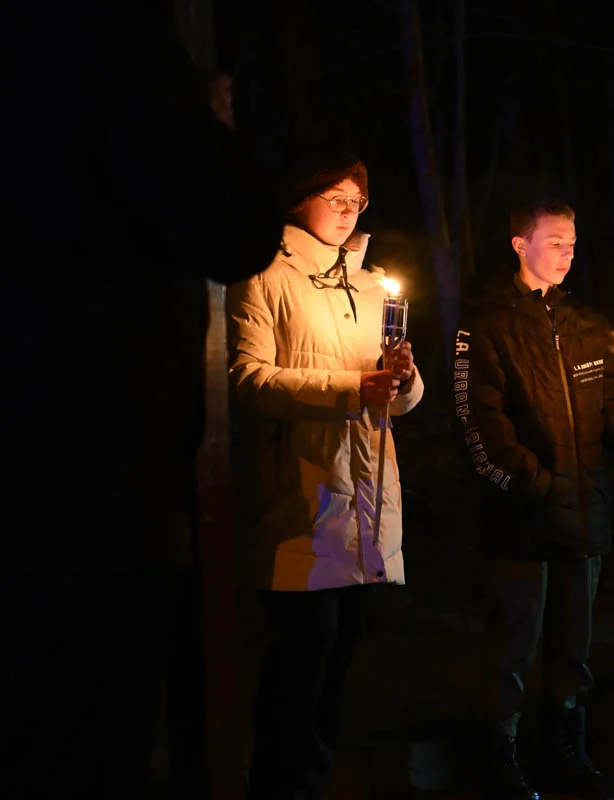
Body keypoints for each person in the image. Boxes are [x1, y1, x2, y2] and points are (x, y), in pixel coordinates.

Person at [0, 3, 280, 796]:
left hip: (50, 436)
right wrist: (209, 127)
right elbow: (231, 225)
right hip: (84, 450)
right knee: (77, 728)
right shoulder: (96, 33)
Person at [228, 152, 424, 799]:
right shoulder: (264, 275)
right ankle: (281, 788)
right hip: (304, 500)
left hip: (368, 503)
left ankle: (310, 783)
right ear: (299, 199)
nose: (346, 211)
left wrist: (404, 377)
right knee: (300, 666)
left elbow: (397, 401)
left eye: (356, 202)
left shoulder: (369, 287)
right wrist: (351, 389)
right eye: (334, 197)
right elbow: (251, 380)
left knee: (339, 665)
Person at [454, 199, 614, 800]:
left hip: (585, 519)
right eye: (555, 242)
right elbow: (479, 423)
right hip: (521, 521)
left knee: (573, 651)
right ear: (520, 245)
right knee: (511, 648)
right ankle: (498, 762)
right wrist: (538, 488)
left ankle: (566, 753)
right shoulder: (486, 325)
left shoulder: (591, 326)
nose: (568, 253)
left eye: (573, 242)